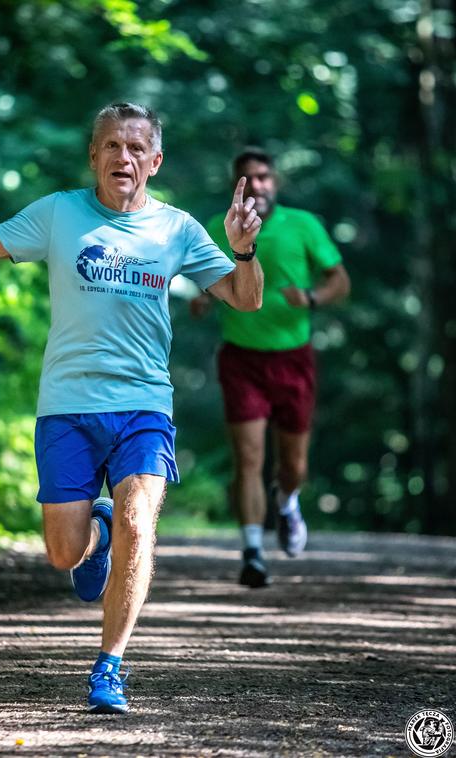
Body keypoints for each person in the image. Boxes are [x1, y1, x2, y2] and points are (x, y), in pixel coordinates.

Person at [0, 103, 264, 713]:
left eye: (134, 148)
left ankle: (110, 666)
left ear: (154, 161)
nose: (122, 158)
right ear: (93, 157)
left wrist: (245, 251)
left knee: (138, 523)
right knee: (63, 553)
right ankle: (92, 536)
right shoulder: (58, 214)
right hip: (67, 407)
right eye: (110, 147)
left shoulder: (177, 228)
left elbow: (242, 298)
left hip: (143, 406)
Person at [191, 147, 350, 589]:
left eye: (263, 176)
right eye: (248, 178)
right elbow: (209, 279)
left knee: (293, 464)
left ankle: (288, 500)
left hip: (293, 357)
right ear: (235, 187)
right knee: (248, 456)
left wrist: (314, 298)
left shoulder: (303, 225)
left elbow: (340, 279)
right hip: (241, 357)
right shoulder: (217, 230)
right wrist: (205, 298)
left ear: (274, 182)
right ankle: (252, 552)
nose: (257, 185)